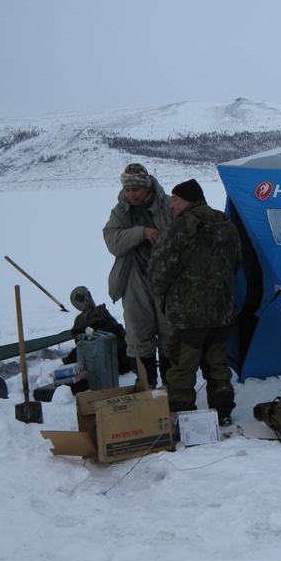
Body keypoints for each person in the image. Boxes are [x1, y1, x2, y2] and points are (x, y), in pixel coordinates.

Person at [148, 178, 242, 425]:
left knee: (182, 369)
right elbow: (237, 263)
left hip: (187, 317)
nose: (171, 205)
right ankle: (222, 413)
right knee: (218, 366)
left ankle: (183, 416)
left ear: (187, 201)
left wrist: (163, 294)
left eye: (175, 200)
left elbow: (158, 271)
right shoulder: (226, 225)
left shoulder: (178, 229)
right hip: (221, 313)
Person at [103, 163, 174, 387]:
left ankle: (172, 385)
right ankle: (147, 382)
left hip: (166, 278)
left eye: (135, 190)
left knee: (169, 332)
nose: (131, 195)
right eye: (127, 190)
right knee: (138, 331)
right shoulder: (120, 210)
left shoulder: (168, 204)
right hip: (134, 275)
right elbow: (112, 241)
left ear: (147, 187)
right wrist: (140, 233)